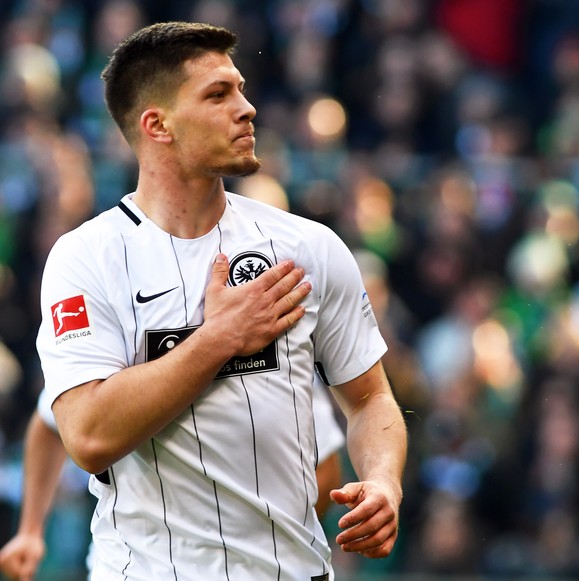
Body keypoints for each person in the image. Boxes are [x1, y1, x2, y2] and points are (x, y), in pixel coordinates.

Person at [35, 21, 407, 580]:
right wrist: (218, 340)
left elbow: (370, 398)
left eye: (240, 88)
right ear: (157, 125)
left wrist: (382, 480)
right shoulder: (85, 258)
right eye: (218, 94)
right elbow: (88, 435)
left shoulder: (308, 247)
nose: (248, 108)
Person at [0, 381, 345, 581]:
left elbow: (326, 471)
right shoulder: (121, 338)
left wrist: (255, 529)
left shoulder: (275, 351)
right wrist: (30, 530)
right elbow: (50, 421)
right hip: (132, 570)